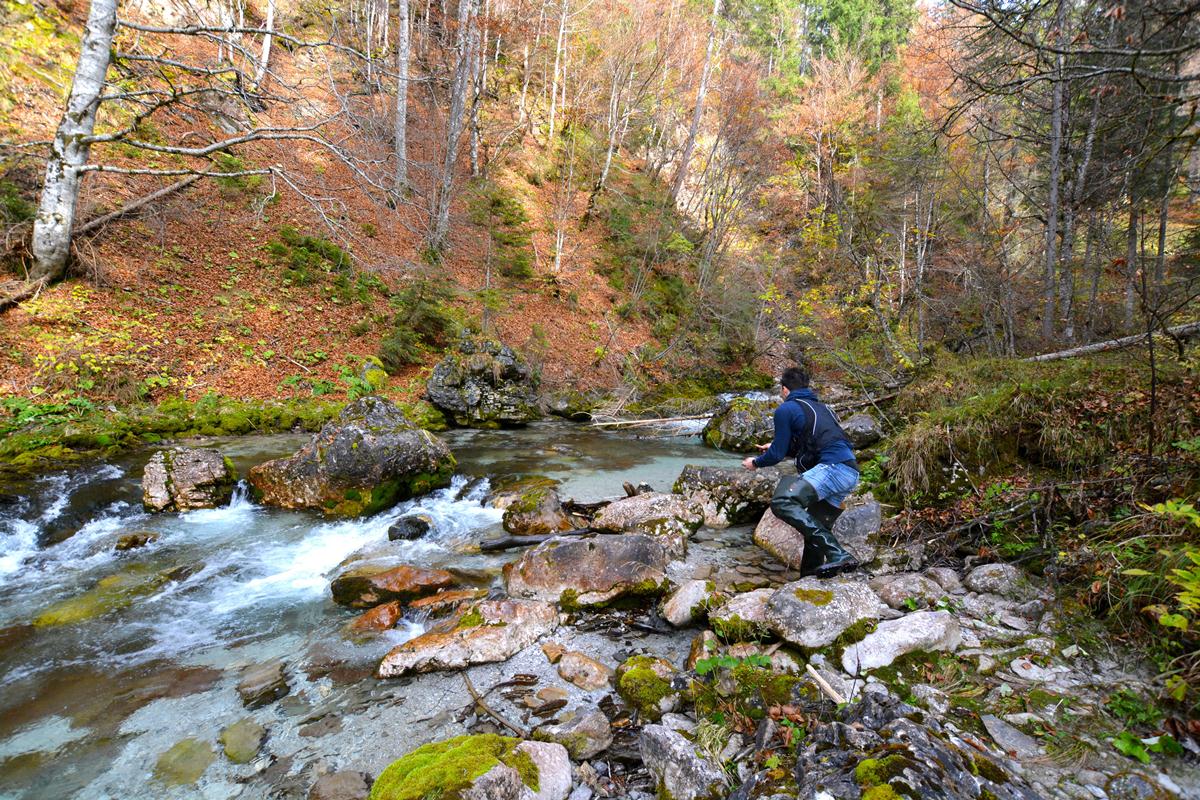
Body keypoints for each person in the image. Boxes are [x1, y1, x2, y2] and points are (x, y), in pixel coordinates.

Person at [741, 366, 860, 578]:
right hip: (849, 470)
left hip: (831, 469)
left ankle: (838, 553)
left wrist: (755, 462)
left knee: (783, 502)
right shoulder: (824, 408)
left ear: (784, 390)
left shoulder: (786, 409)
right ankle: (811, 579)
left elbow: (776, 456)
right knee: (816, 528)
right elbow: (815, 444)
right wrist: (780, 447)